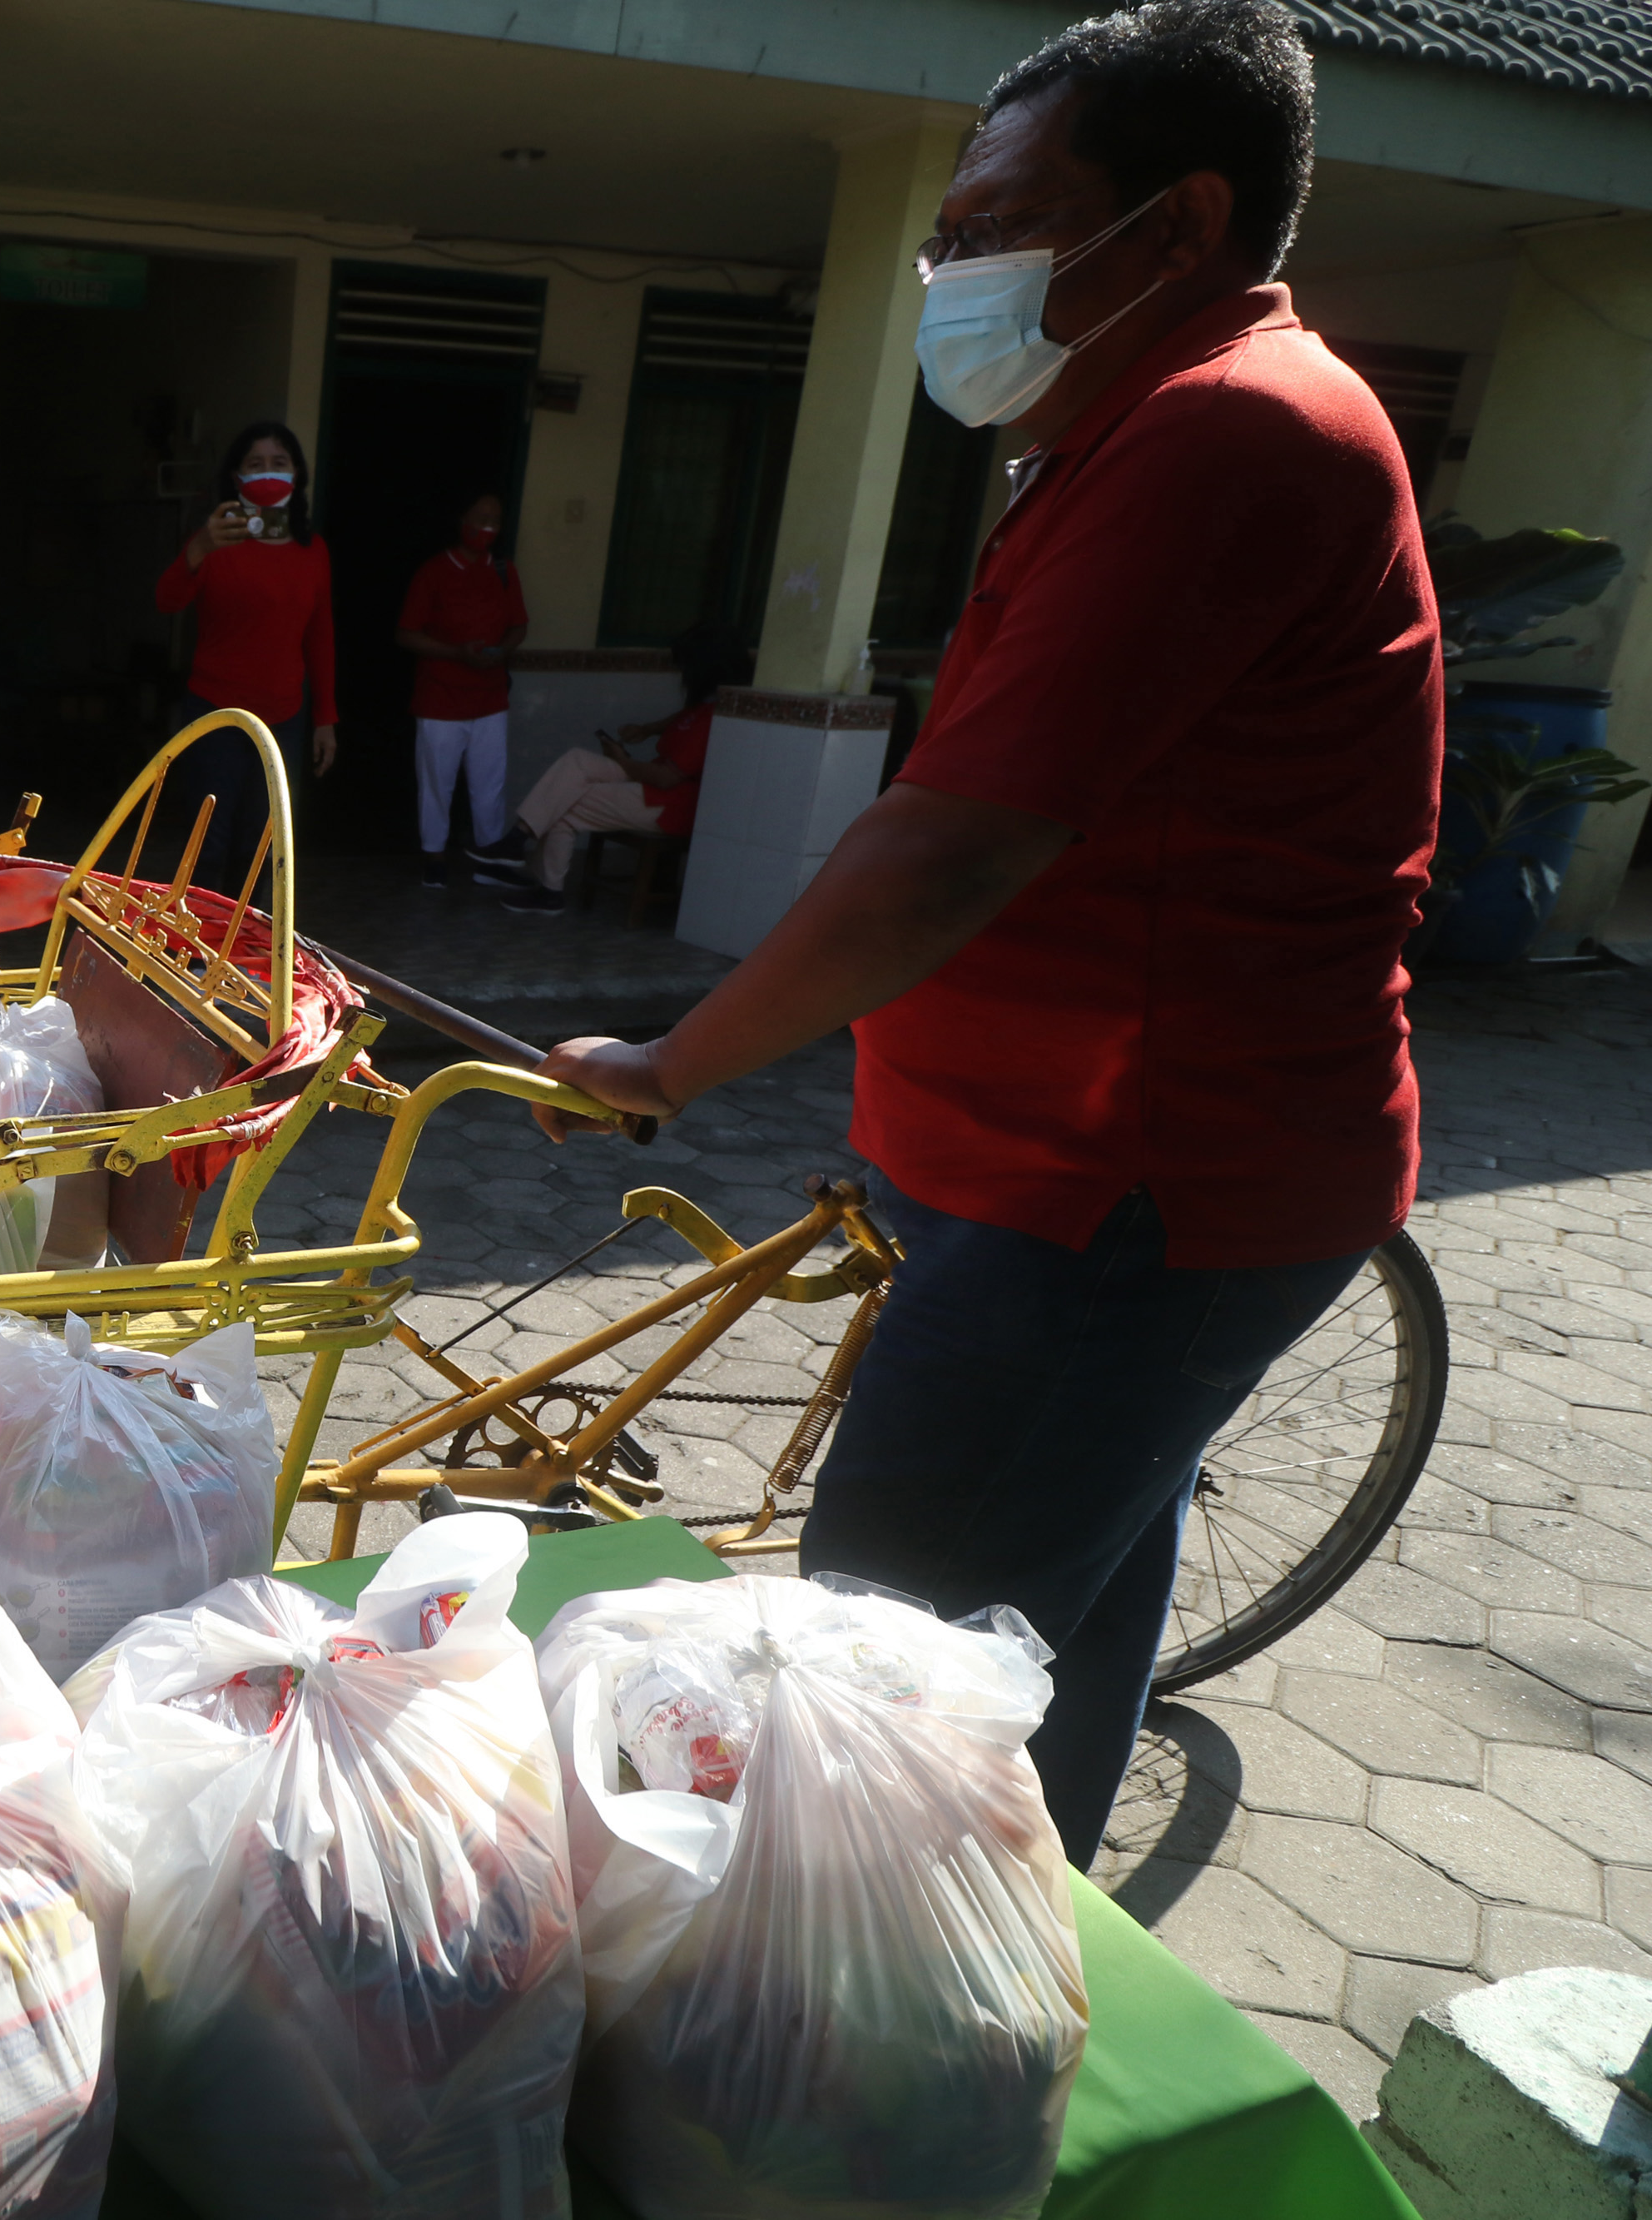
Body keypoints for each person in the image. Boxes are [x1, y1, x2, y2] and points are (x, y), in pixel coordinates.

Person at [530, 0, 1437, 1866]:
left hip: (1118, 1197)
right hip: (1071, 1181)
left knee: (879, 1682)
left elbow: (945, 853)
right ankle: (1016, 1965)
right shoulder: (1117, 435)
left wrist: (671, 1064)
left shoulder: (1227, 429)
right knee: (1052, 1631)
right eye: (944, 237)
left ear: (1179, 225)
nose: (953, 274)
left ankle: (854, 2013)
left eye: (999, 224)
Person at [149, 422, 335, 881]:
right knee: (207, 845)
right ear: (237, 478)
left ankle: (248, 931)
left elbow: (320, 635)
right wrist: (198, 549)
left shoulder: (313, 550)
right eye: (256, 464)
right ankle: (198, 930)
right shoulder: (215, 542)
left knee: (263, 848)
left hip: (283, 719)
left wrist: (325, 718)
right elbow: (166, 601)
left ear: (297, 473)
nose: (268, 472)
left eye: (279, 463)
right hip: (217, 714)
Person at [501, 627, 732, 916]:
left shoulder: (718, 713)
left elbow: (666, 778)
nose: (682, 674)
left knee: (565, 803)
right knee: (577, 761)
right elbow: (683, 719)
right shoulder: (707, 705)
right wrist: (647, 730)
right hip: (656, 788)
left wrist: (623, 761)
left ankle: (549, 892)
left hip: (671, 805)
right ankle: (516, 839)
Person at [395, 490, 528, 888]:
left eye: (495, 519)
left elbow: (519, 625)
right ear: (461, 519)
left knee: (490, 785)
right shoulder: (434, 572)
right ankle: (434, 857)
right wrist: (457, 653)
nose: (487, 526)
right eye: (480, 516)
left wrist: (500, 651)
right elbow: (406, 633)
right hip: (440, 698)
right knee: (437, 782)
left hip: (490, 697)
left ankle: (489, 860)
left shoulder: (504, 571)